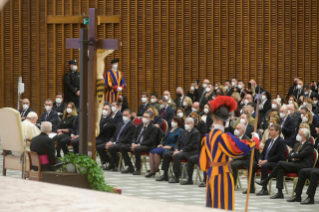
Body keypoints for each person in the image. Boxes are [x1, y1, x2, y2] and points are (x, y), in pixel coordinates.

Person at [198, 96, 258, 210]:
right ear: (223, 120)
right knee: (223, 205)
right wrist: (255, 141)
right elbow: (239, 148)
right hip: (222, 174)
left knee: (212, 206)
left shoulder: (206, 137)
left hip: (210, 174)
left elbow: (202, 163)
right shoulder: (222, 137)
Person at [256, 128, 314, 199]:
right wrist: (295, 156)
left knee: (280, 163)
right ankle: (279, 192)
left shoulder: (309, 145)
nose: (297, 135)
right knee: (280, 169)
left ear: (304, 136)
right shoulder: (296, 144)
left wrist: (295, 155)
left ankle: (266, 179)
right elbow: (289, 156)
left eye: (299, 134)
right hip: (295, 164)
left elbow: (300, 155)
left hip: (303, 166)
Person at [246, 124, 286, 195]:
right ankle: (251, 187)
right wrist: (260, 159)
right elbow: (263, 153)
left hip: (275, 163)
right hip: (265, 161)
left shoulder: (281, 142)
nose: (269, 131)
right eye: (269, 130)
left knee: (265, 166)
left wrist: (267, 161)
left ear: (278, 132)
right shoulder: (268, 141)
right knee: (251, 165)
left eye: (272, 130)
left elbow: (279, 156)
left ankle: (264, 189)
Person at [160, 117, 201, 183]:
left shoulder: (195, 133)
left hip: (190, 152)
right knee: (166, 154)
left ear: (192, 124)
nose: (186, 125)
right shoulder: (183, 131)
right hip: (180, 151)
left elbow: (192, 145)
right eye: (185, 123)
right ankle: (165, 175)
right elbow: (178, 142)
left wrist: (180, 151)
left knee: (177, 156)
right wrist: (176, 149)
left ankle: (176, 176)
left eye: (188, 123)